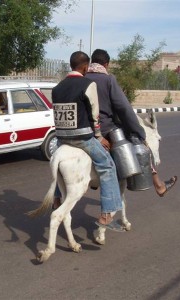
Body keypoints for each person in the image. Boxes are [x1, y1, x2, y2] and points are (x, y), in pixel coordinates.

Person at [85, 48, 177, 197]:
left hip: (83, 128)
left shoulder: (82, 79)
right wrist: (139, 132)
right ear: (106, 64)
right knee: (139, 145)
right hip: (105, 128)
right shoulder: (108, 80)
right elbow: (123, 108)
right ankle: (159, 185)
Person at [52, 51, 124, 232]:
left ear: (71, 65)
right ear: (85, 67)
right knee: (107, 166)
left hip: (61, 138)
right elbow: (94, 113)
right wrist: (99, 137)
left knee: (58, 167)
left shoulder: (57, 87)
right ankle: (107, 214)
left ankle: (57, 198)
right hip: (82, 138)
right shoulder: (88, 84)